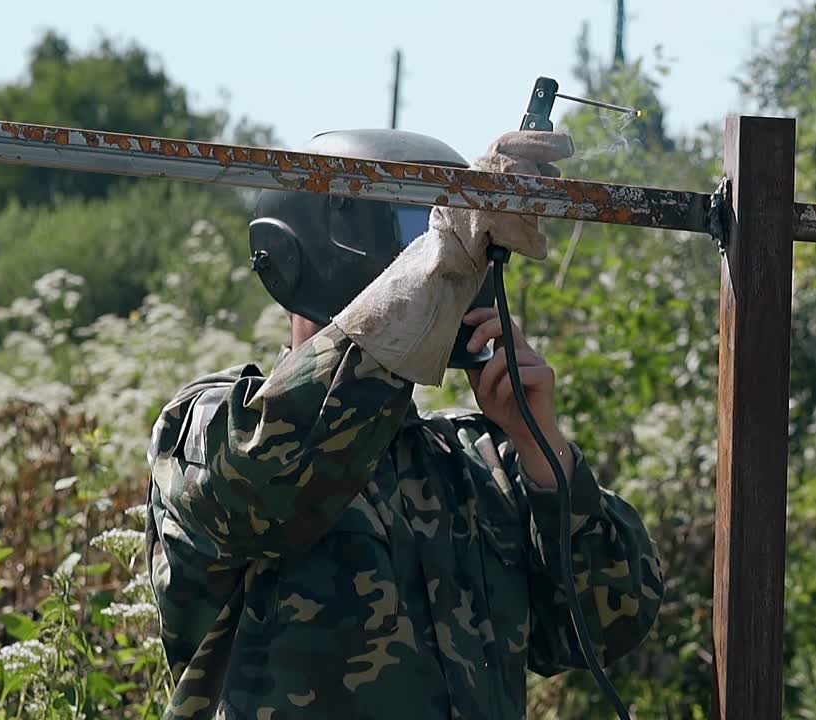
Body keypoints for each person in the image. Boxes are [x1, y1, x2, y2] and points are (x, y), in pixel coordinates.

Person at [144, 128, 664, 719]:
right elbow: (276, 475)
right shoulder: (207, 428)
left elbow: (605, 624)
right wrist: (441, 256)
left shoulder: (480, 465)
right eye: (421, 240)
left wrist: (541, 451)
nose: (451, 273)